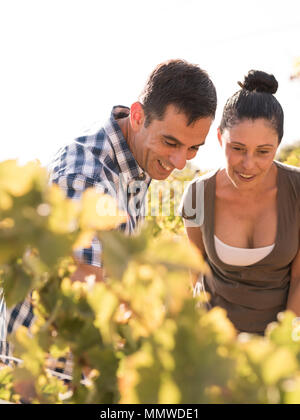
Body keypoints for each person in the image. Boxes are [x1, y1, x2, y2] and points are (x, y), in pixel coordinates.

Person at [1, 59, 217, 373]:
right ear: (139, 115)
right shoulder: (85, 177)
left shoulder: (136, 158)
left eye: (193, 148)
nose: (180, 161)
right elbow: (84, 297)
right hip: (47, 373)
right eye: (171, 142)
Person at [180, 70, 300, 335]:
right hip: (215, 349)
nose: (248, 165)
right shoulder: (198, 195)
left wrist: (281, 350)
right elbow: (195, 274)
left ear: (278, 144)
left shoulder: (297, 191)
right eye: (237, 148)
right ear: (221, 138)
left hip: (278, 350)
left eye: (263, 152)